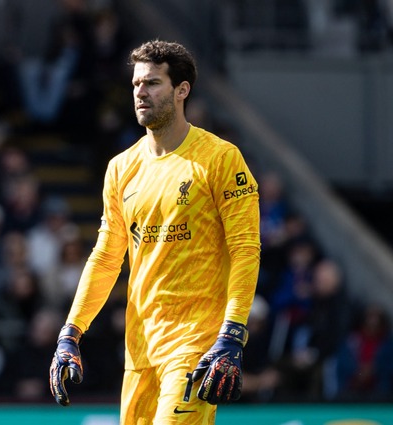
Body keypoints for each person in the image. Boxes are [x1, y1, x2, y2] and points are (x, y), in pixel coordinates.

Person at [49, 40, 260, 424]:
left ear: (182, 90)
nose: (140, 93)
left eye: (152, 83)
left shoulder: (220, 158)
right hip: (141, 347)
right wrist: (71, 331)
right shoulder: (121, 168)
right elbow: (107, 256)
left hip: (196, 343)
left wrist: (233, 333)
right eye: (135, 85)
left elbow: (246, 247)